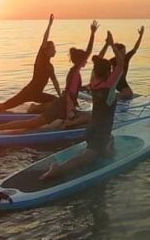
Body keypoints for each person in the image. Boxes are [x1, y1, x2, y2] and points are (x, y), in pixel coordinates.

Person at [0, 21, 99, 134]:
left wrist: (92, 34)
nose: (86, 60)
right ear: (80, 61)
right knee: (31, 123)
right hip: (59, 105)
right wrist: (69, 116)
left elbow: (63, 89)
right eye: (85, 59)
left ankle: (2, 124)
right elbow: (69, 96)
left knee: (33, 122)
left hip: (56, 102)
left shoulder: (70, 71)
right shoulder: (73, 71)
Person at [41, 31, 127, 181]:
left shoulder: (94, 83)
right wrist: (112, 44)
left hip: (93, 131)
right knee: (85, 159)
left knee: (109, 141)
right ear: (108, 73)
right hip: (98, 135)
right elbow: (121, 64)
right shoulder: (108, 88)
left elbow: (99, 63)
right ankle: (57, 170)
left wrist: (107, 45)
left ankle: (105, 151)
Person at [0, 14, 62, 112]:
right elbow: (44, 39)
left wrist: (61, 97)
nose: (55, 51)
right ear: (46, 50)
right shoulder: (41, 59)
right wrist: (49, 25)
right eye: (53, 49)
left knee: (56, 101)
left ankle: (35, 109)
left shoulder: (50, 67)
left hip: (38, 94)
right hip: (28, 92)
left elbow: (56, 83)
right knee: (3, 106)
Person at [94, 25, 144, 100]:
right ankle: (113, 97)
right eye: (122, 52)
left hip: (123, 81)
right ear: (117, 52)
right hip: (116, 82)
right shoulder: (112, 61)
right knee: (128, 95)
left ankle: (116, 96)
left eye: (125, 52)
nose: (124, 54)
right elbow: (100, 62)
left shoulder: (126, 57)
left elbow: (135, 48)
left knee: (130, 95)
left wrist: (141, 35)